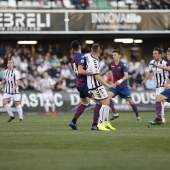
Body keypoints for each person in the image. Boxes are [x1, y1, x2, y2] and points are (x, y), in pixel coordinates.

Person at [101, 50, 141, 121]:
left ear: (119, 56)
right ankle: (115, 113)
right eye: (113, 55)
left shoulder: (123, 65)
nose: (114, 56)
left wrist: (120, 80)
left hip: (123, 86)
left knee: (130, 101)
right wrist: (98, 75)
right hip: (115, 86)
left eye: (115, 55)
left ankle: (137, 116)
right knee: (107, 97)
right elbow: (105, 71)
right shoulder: (111, 64)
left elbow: (126, 76)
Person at [85, 43, 116, 131]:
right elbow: (97, 77)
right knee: (105, 103)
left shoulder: (88, 56)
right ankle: (101, 124)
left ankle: (106, 123)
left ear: (91, 50)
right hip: (95, 86)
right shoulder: (94, 62)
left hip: (93, 85)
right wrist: (108, 85)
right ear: (99, 51)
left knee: (106, 102)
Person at [68, 40, 94, 130]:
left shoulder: (73, 58)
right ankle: (96, 124)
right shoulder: (81, 57)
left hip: (78, 82)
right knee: (99, 100)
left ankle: (73, 122)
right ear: (80, 47)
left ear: (72, 49)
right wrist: (92, 73)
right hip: (83, 83)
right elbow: (80, 71)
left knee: (85, 102)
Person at [142, 47, 169, 124]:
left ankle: (159, 119)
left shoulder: (165, 63)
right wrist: (145, 79)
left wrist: (167, 84)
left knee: (158, 100)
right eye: (153, 53)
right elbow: (150, 72)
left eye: (155, 53)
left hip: (164, 85)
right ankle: (162, 119)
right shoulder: (151, 62)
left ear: (160, 55)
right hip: (157, 86)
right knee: (162, 102)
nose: (153, 55)